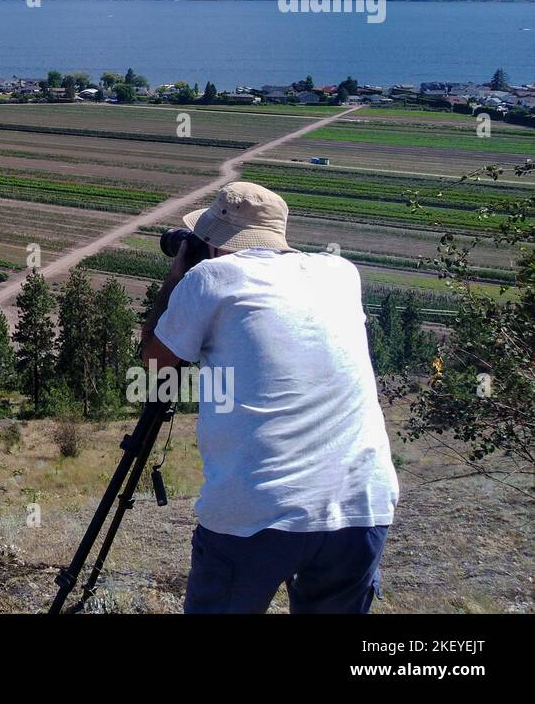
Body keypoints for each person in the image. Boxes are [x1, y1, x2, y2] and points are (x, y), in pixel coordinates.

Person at [140, 181, 398, 614]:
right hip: (361, 503)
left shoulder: (209, 278)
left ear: (214, 241)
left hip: (255, 510)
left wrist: (178, 273)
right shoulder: (340, 273)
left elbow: (154, 365)